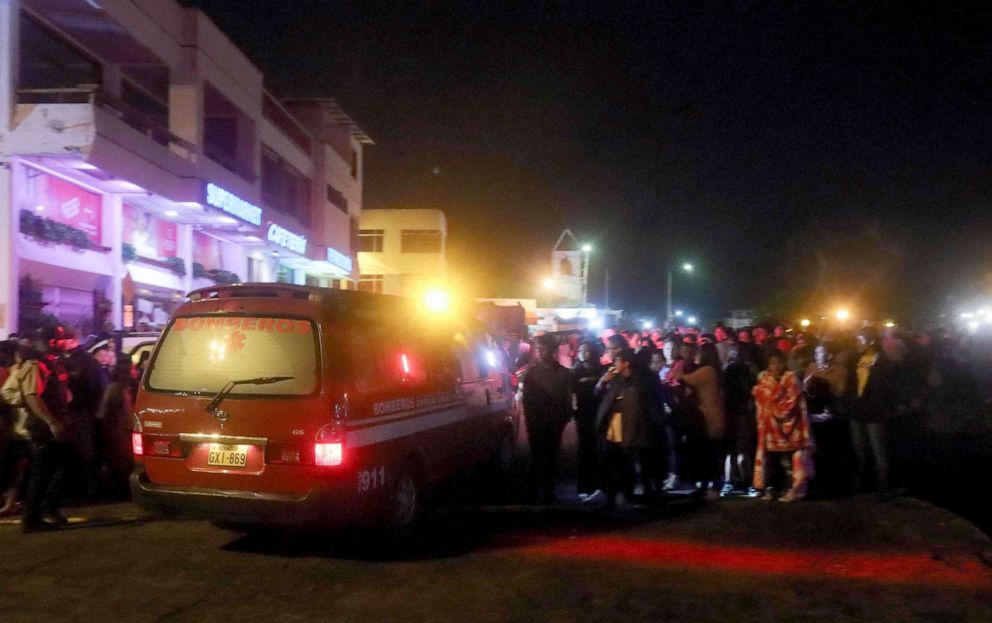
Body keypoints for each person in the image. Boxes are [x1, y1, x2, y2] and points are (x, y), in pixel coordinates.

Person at [0, 345, 70, 531]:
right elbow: (32, 396)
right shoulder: (35, 365)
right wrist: (51, 422)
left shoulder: (41, 365)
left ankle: (39, 514)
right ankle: (33, 518)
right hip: (41, 428)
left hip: (41, 426)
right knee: (42, 472)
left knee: (48, 470)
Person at [848, 327, 900, 497]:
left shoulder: (882, 360)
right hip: (858, 410)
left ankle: (884, 487)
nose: (856, 343)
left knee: (879, 451)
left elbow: (886, 388)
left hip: (874, 411)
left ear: (870, 340)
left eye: (859, 339)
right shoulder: (857, 358)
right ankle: (865, 484)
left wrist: (878, 405)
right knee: (860, 450)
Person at [752, 351, 811, 502]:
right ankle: (772, 488)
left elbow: (792, 402)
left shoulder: (791, 379)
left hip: (791, 428)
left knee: (790, 461)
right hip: (770, 429)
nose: (776, 366)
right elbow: (760, 399)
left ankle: (791, 489)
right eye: (772, 363)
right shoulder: (764, 379)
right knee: (772, 460)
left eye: (779, 362)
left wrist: (772, 402)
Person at [521, 334, 572, 504]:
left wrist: (563, 418)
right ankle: (534, 492)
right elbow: (527, 401)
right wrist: (530, 422)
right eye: (539, 350)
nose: (541, 353)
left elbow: (567, 399)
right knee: (537, 458)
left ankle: (549, 492)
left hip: (554, 423)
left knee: (551, 458)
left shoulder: (563, 373)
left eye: (544, 349)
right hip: (537, 422)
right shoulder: (532, 373)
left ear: (553, 350)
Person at [595, 348, 649, 509]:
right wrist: (602, 382)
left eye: (618, 361)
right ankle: (610, 497)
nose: (614, 364)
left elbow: (640, 408)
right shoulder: (614, 378)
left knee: (626, 464)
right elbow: (597, 394)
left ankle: (627, 496)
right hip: (612, 426)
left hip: (628, 426)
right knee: (608, 463)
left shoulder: (638, 381)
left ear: (626, 363)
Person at [677, 342, 726, 500]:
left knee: (711, 453)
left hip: (709, 416)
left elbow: (684, 378)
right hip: (714, 414)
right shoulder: (715, 370)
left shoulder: (706, 370)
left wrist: (678, 369)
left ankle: (714, 487)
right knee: (709, 452)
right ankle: (707, 486)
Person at [803, 342, 850, 497]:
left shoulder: (840, 371)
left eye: (821, 352)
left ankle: (832, 486)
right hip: (814, 413)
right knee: (815, 451)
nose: (818, 356)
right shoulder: (811, 368)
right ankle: (817, 483)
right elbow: (805, 389)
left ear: (829, 354)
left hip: (831, 414)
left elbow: (840, 393)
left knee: (831, 451)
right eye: (816, 353)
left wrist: (824, 389)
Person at [571, 341, 603, 499]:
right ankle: (583, 487)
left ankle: (597, 485)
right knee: (585, 450)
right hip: (583, 414)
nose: (583, 353)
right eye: (581, 350)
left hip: (598, 413)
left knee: (597, 450)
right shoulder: (575, 371)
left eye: (587, 350)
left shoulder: (600, 369)